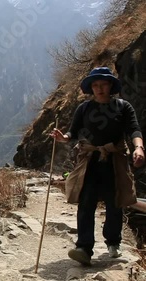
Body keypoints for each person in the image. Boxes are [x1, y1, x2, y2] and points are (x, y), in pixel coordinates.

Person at [50, 66, 144, 266]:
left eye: (103, 84)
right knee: (86, 202)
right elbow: (73, 133)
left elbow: (134, 130)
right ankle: (84, 247)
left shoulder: (123, 107)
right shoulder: (84, 109)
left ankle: (113, 241)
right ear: (91, 88)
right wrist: (62, 137)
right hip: (90, 160)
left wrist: (139, 148)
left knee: (115, 201)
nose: (100, 88)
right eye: (95, 85)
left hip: (114, 159)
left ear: (111, 85)